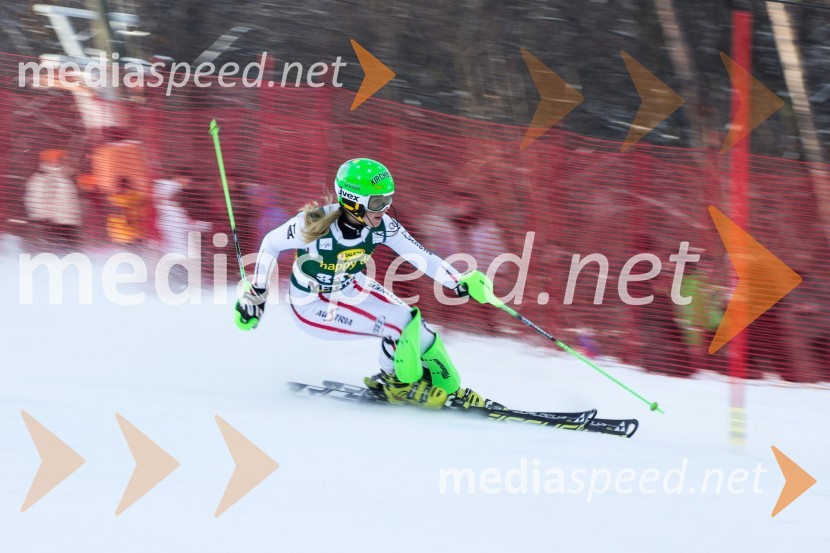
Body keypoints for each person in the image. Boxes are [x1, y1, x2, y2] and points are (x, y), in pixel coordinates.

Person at [235, 158, 498, 410]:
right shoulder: (312, 224)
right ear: (352, 200)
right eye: (377, 202)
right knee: (399, 323)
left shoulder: (383, 225)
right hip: (313, 303)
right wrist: (257, 292)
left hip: (351, 286)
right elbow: (270, 243)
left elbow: (422, 257)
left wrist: (457, 281)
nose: (384, 208)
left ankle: (448, 387)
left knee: (418, 328)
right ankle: (395, 382)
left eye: (387, 200)